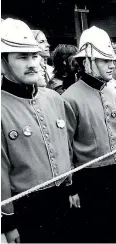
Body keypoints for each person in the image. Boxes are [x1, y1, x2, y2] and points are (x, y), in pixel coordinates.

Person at [1, 18, 72, 243]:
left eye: (34, 56)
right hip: (26, 209)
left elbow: (65, 149)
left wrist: (70, 188)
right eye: (22, 57)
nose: (32, 63)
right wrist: (8, 223)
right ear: (3, 62)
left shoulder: (54, 98)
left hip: (61, 200)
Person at [62, 26, 116, 243]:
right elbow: (66, 147)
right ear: (87, 62)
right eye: (104, 60)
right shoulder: (69, 98)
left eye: (112, 60)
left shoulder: (114, 91)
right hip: (90, 179)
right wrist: (73, 188)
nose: (111, 65)